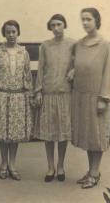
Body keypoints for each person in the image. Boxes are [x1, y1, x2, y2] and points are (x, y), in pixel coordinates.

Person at [72, 7, 110, 189]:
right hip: (81, 96)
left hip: (97, 97)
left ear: (97, 20)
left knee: (97, 136)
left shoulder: (104, 45)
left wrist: (104, 98)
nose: (85, 23)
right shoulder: (79, 44)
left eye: (88, 19)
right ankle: (91, 170)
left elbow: (107, 73)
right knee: (88, 136)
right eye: (83, 20)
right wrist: (73, 71)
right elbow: (76, 65)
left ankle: (95, 174)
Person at [0, 20, 34, 180]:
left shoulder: (24, 53)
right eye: (8, 32)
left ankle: (13, 164)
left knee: (15, 133)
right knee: (3, 132)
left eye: (13, 31)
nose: (11, 35)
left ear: (18, 33)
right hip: (1, 96)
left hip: (18, 97)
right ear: (4, 33)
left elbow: (27, 75)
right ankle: (3, 163)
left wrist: (29, 95)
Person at [34, 14, 75, 182]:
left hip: (65, 94)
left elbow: (81, 63)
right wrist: (37, 91)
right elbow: (41, 69)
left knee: (62, 133)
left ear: (64, 25)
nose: (56, 28)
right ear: (50, 28)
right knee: (49, 134)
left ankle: (61, 166)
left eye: (59, 24)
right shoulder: (45, 46)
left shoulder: (73, 44)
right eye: (53, 25)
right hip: (48, 94)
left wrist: (75, 70)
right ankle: (50, 167)